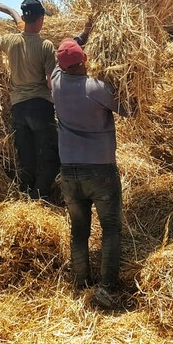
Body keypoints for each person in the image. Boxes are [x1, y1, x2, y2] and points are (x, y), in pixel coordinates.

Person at [50, 38, 134, 309]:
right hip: (100, 170)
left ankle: (81, 281)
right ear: (85, 59)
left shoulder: (55, 84)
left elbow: (57, 61)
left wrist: (77, 39)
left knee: (79, 230)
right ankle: (106, 289)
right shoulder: (95, 88)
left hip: (69, 171)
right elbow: (130, 110)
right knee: (110, 229)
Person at [0, 0, 93, 199]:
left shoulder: (11, 41)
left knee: (27, 158)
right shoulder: (45, 46)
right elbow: (50, 81)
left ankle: (25, 195)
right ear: (41, 18)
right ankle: (38, 198)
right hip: (39, 106)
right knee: (50, 158)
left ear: (25, 18)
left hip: (18, 107)